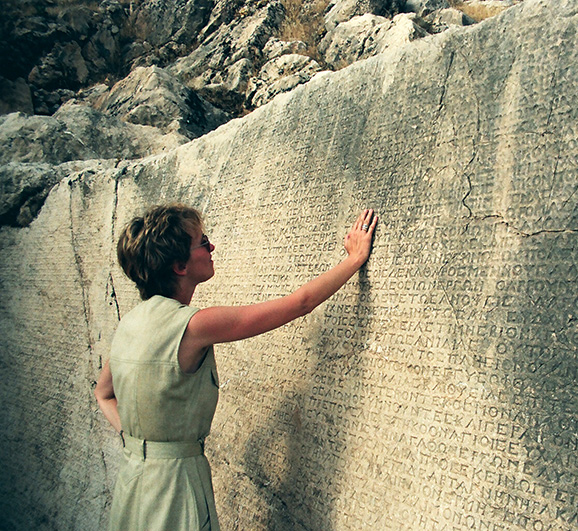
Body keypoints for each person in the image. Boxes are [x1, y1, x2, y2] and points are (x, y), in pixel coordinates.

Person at [94, 204, 377, 530]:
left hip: (134, 480)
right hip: (174, 486)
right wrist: (354, 259)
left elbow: (103, 395)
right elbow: (300, 303)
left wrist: (141, 441)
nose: (211, 247)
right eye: (203, 242)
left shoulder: (129, 323)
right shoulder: (194, 326)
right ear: (180, 266)